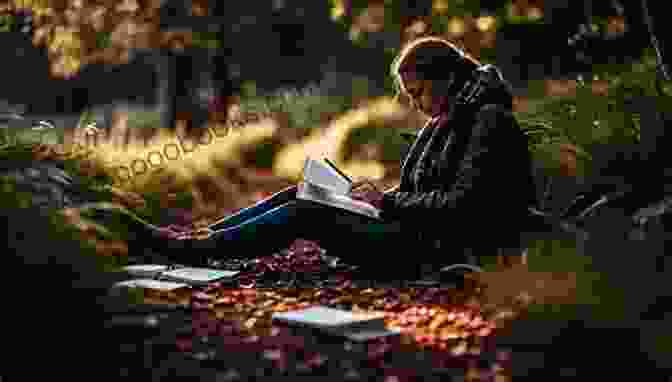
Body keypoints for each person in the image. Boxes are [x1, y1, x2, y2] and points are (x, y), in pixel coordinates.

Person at [134, 36, 537, 274]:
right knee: (304, 191)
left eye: (418, 92)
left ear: (448, 78)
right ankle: (206, 237)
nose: (414, 104)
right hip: (416, 230)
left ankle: (196, 251)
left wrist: (388, 202)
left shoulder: (487, 120)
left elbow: (462, 205)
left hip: (434, 249)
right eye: (409, 96)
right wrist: (372, 197)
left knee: (308, 211)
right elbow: (425, 187)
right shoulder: (448, 115)